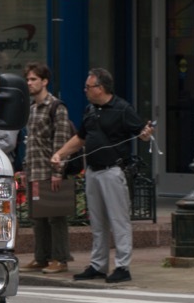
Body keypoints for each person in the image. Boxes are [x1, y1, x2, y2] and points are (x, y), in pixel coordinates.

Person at [52, 68, 154, 284]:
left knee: (119, 220)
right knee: (97, 222)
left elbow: (142, 132)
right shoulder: (90, 110)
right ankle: (98, 265)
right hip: (93, 171)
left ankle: (122, 266)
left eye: (88, 87)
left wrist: (146, 134)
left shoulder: (122, 108)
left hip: (113, 170)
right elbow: (80, 138)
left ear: (100, 88)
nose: (85, 90)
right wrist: (60, 153)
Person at [21, 63, 75, 274]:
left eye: (34, 79)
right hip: (34, 169)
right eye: (28, 79)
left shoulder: (56, 107)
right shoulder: (32, 109)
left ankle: (59, 259)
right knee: (38, 217)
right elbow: (30, 142)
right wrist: (25, 170)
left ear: (44, 81)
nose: (29, 83)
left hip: (48, 170)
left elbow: (61, 142)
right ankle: (41, 257)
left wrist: (57, 172)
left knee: (55, 217)